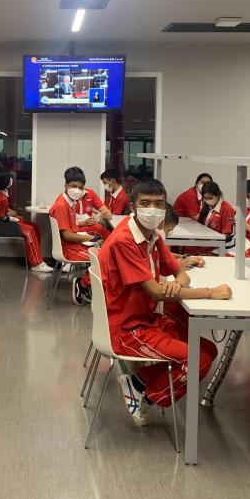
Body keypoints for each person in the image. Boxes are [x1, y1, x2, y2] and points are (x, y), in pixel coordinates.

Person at [98, 178, 232, 426]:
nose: (152, 209)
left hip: (148, 318)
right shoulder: (124, 240)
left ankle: (138, 382)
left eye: (158, 203)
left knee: (210, 350)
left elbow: (181, 273)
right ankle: (147, 396)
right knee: (197, 359)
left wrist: (175, 285)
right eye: (145, 203)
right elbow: (156, 292)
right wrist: (210, 293)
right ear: (132, 207)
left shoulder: (152, 236)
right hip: (128, 328)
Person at [48, 166, 112, 305]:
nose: (77, 190)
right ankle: (82, 285)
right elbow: (67, 236)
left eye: (80, 187)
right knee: (103, 258)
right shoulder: (62, 205)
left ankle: (88, 284)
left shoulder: (69, 202)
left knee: (106, 252)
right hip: (68, 248)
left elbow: (73, 228)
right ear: (66, 185)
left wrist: (93, 239)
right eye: (73, 186)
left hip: (74, 243)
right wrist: (92, 239)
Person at [0, 173, 52, 273]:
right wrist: (8, 215)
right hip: (0, 224)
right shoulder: (1, 197)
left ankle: (35, 256)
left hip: (4, 219)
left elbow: (0, 209)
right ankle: (36, 263)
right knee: (29, 230)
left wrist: (8, 212)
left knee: (34, 226)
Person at [160, 204, 205, 271]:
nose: (167, 235)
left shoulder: (155, 241)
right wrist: (176, 264)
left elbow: (163, 255)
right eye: (168, 230)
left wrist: (186, 258)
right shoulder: (147, 242)